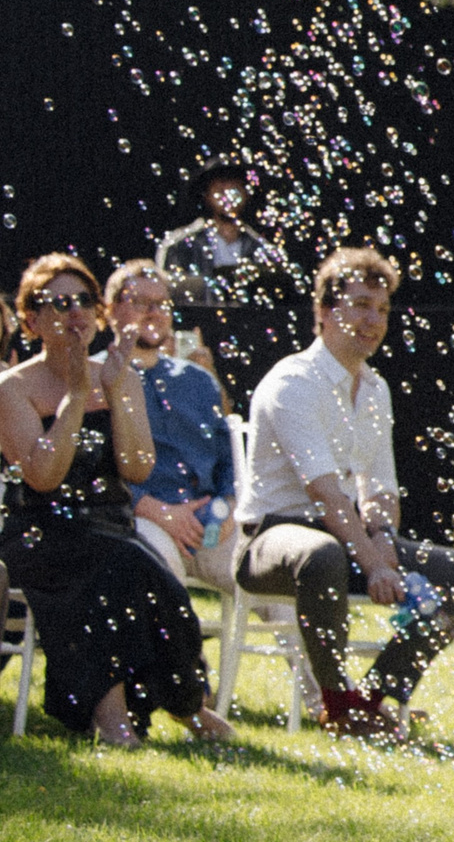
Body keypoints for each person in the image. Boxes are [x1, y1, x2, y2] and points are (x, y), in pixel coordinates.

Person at [234, 247, 454, 740]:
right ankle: (338, 704)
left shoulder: (375, 388)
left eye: (381, 309)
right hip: (270, 538)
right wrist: (375, 562)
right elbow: (327, 493)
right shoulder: (293, 382)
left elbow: (378, 486)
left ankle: (378, 695)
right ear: (323, 312)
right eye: (359, 304)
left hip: (346, 534)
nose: (372, 320)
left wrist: (381, 537)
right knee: (323, 554)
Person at [0, 254, 230, 745]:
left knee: (150, 577)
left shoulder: (120, 375)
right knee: (114, 569)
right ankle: (119, 718)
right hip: (42, 530)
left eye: (84, 300)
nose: (75, 312)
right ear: (32, 321)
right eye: (58, 303)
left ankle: (187, 702)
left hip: (107, 524)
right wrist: (78, 395)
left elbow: (138, 467)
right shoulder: (13, 388)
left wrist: (117, 389)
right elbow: (43, 476)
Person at [102, 261, 240, 595]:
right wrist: (159, 512)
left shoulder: (198, 380)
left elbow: (229, 458)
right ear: (110, 312)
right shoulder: (98, 378)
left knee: (279, 583)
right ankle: (186, 650)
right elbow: (97, 472)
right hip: (141, 522)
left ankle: (304, 650)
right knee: (160, 576)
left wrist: (226, 510)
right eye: (139, 302)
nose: (153, 312)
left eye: (161, 304)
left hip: (210, 528)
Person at [155, 158, 296, 304]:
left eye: (234, 189)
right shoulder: (179, 246)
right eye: (221, 190)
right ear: (206, 195)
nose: (228, 197)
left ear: (246, 194)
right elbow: (165, 295)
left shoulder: (265, 251)